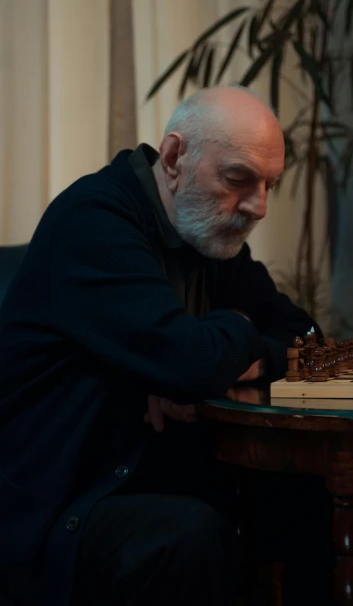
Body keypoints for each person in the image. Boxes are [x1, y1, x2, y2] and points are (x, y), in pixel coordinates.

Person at [0, 86, 318, 606]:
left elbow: (307, 338)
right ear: (174, 158)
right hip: (63, 502)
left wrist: (213, 361)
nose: (258, 206)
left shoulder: (210, 230)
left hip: (157, 468)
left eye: (269, 185)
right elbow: (191, 363)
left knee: (328, 484)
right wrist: (226, 333)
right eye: (239, 179)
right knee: (189, 537)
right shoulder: (94, 219)